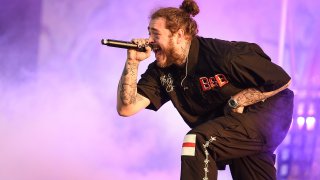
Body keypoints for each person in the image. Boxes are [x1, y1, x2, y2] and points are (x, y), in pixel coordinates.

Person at [116, 0, 294, 179]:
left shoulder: (222, 55)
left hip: (267, 115)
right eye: (149, 34)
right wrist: (132, 61)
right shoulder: (161, 71)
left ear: (179, 35)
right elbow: (126, 107)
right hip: (234, 126)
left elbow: (281, 80)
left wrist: (237, 101)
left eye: (156, 34)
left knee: (198, 142)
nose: (149, 41)